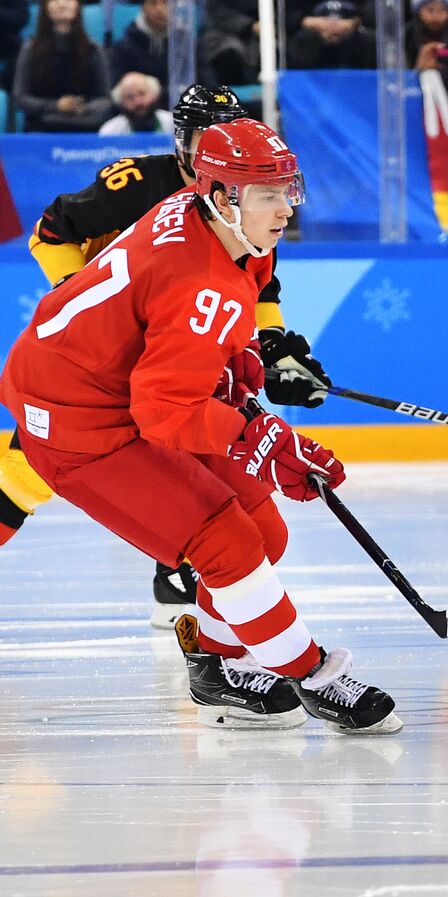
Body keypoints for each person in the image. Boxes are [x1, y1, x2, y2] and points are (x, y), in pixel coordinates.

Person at [0, 118, 400, 735]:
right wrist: (266, 439)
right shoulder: (201, 280)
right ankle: (312, 674)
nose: (286, 207)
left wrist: (242, 362)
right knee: (225, 543)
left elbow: (179, 328)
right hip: (79, 421)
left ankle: (216, 667)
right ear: (221, 195)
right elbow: (167, 409)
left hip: (112, 385)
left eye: (288, 188)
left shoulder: (209, 218)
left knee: (263, 527)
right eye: (269, 194)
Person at [5, 84, 333, 628]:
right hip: (102, 365)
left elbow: (255, 286)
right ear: (183, 142)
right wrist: (85, 303)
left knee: (186, 470)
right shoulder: (137, 183)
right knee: (22, 475)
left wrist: (271, 347)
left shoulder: (250, 196)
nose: (218, 147)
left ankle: (185, 580)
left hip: (163, 357)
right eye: (207, 137)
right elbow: (50, 231)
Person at [12, 0, 111, 132]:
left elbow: (105, 99)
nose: (62, 4)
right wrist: (56, 106)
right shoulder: (31, 49)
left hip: (85, 126)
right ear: (45, 7)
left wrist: (81, 108)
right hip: (41, 127)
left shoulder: (93, 49)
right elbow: (20, 97)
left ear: (78, 6)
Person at [99, 72, 173, 135]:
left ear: (154, 93)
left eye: (142, 93)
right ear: (121, 102)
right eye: (130, 97)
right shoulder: (109, 131)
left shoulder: (174, 123)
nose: (138, 102)